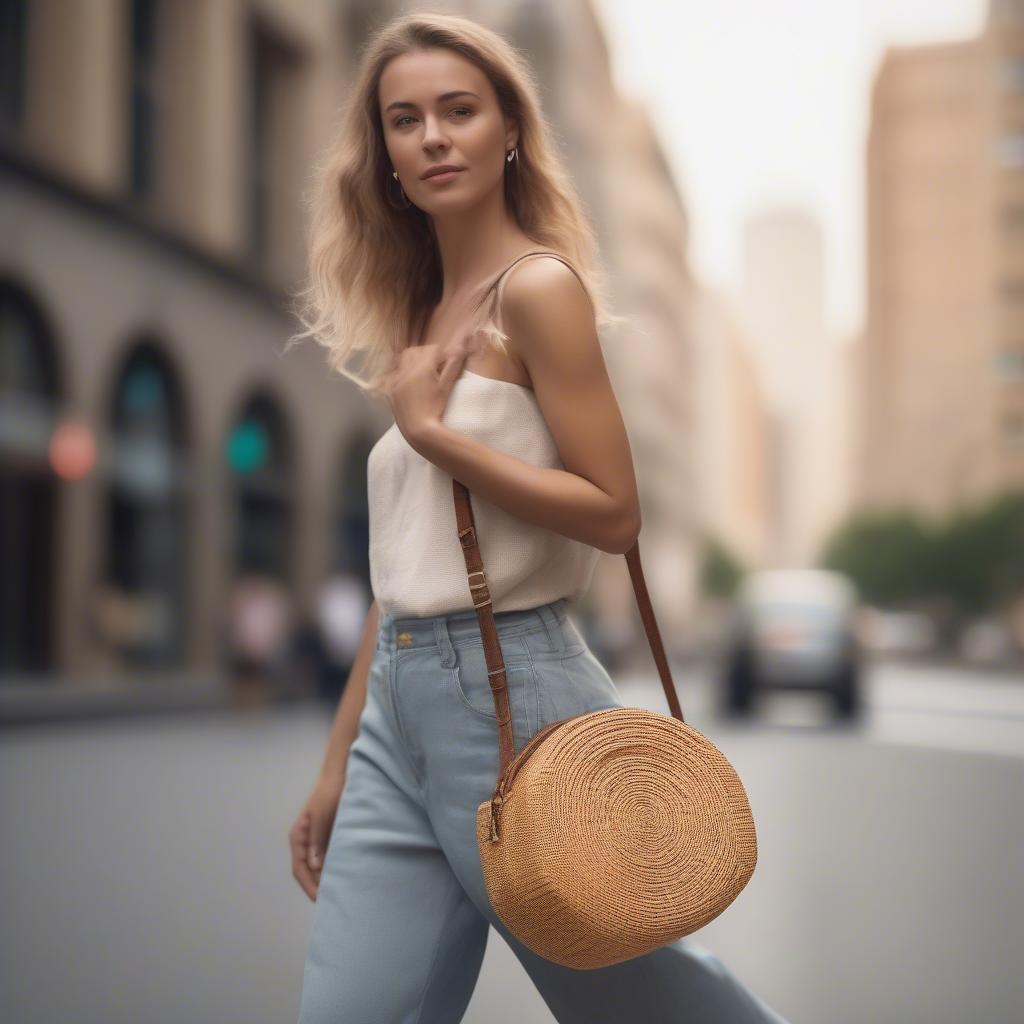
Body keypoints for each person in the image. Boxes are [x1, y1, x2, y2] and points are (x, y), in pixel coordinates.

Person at [287, 12, 789, 1023]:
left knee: (659, 1005)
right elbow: (403, 579)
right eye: (403, 120)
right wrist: (343, 756)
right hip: (400, 708)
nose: (430, 136)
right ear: (381, 154)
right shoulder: (424, 312)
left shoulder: (538, 289)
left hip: (512, 697)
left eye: (457, 111)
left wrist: (436, 437)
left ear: (507, 129)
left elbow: (613, 511)